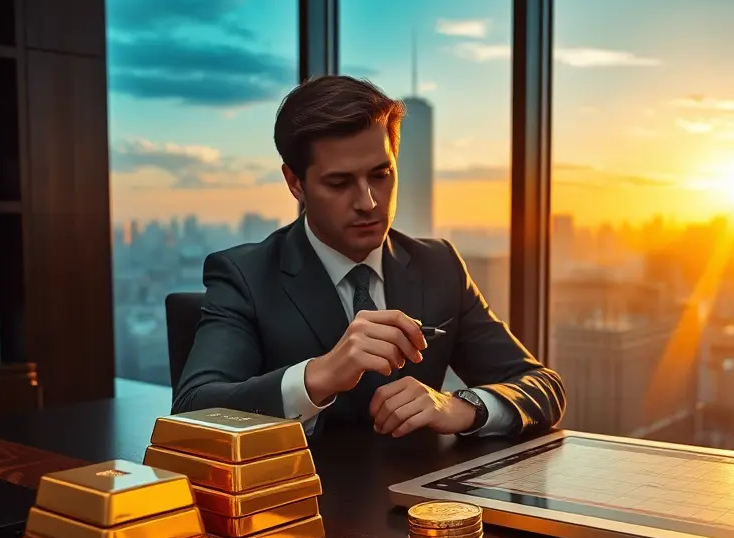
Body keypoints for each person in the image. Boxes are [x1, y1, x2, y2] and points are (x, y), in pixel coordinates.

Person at [172, 75, 566, 439]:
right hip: (295, 506)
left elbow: (542, 387)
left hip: (421, 504)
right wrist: (317, 377)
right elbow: (192, 409)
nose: (369, 202)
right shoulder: (245, 275)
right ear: (295, 183)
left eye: (381, 174)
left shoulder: (440, 264)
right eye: (339, 182)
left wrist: (462, 406)